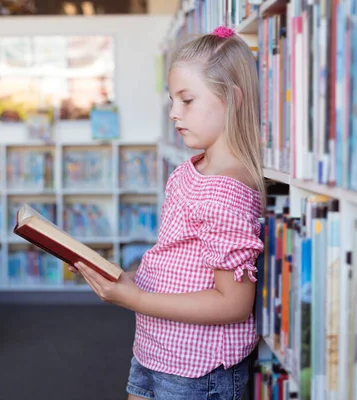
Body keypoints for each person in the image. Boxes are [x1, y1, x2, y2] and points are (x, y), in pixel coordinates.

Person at [69, 26, 266, 399]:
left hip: (198, 369)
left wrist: (134, 299)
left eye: (187, 100)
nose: (174, 113)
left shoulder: (227, 192)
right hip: (155, 347)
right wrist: (121, 278)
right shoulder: (189, 171)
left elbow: (234, 303)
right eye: (172, 100)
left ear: (233, 99)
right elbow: (177, 263)